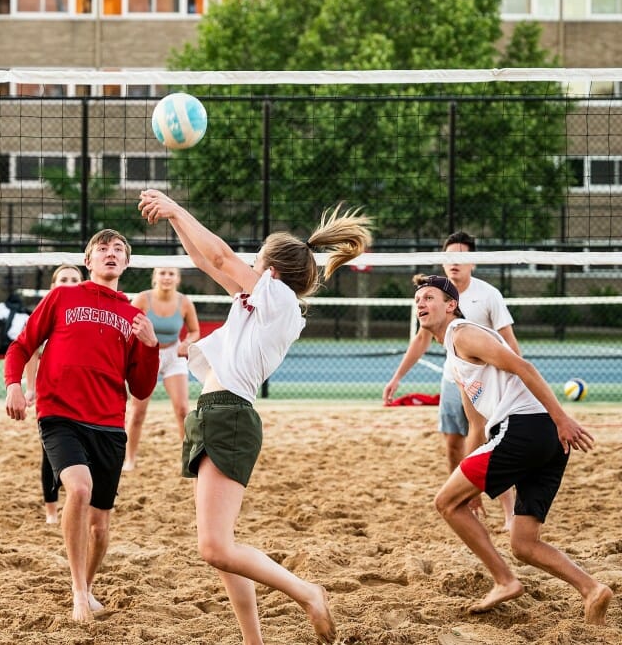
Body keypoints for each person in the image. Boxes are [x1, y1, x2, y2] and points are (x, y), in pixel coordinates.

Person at [138, 188, 371, 645]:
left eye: (257, 260)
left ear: (272, 270)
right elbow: (208, 263)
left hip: (229, 415)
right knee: (222, 549)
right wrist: (175, 223)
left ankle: (308, 593)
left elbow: (222, 256)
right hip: (216, 412)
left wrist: (177, 208)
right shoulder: (259, 301)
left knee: (215, 547)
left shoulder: (279, 301)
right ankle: (253, 640)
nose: (250, 264)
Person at [415, 274, 614, 624]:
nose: (421, 304)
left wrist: (562, 418)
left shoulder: (464, 333)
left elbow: (524, 366)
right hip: (544, 441)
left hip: (527, 428)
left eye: (429, 297)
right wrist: (471, 487)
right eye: (417, 299)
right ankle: (592, 589)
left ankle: (504, 581)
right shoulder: (453, 357)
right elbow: (476, 425)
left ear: (450, 305)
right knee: (524, 544)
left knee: (444, 503)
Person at [4, 231, 159, 622]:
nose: (111, 254)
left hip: (108, 423)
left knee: (101, 527)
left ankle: (87, 587)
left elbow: (140, 387)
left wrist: (151, 345)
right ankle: (77, 592)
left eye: (119, 250)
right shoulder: (63, 296)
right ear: (88, 261)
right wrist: (15, 386)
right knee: (79, 487)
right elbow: (21, 346)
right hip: (60, 415)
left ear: (126, 264)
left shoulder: (133, 316)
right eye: (103, 249)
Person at [383, 231, 520, 530]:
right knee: (453, 444)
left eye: (461, 256)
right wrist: (397, 378)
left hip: (485, 386)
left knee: (489, 443)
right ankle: (463, 498)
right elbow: (421, 340)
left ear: (473, 261)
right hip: (454, 379)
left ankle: (509, 511)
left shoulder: (487, 295)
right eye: (449, 257)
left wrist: (516, 377)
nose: (454, 262)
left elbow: (509, 342)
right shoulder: (430, 296)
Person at [123, 266, 200, 471]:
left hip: (174, 354)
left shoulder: (184, 302)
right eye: (162, 273)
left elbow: (194, 331)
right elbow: (127, 328)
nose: (166, 277)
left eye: (171, 273)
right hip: (147, 353)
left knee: (182, 409)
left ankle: (188, 459)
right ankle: (129, 459)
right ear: (154, 278)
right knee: (138, 411)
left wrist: (187, 342)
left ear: (178, 279)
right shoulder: (142, 299)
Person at [29, 264, 83, 524]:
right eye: (63, 279)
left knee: (85, 452)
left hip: (84, 394)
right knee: (50, 454)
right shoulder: (46, 311)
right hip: (52, 394)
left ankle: (79, 502)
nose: (69, 283)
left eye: (75, 279)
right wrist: (29, 388)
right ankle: (51, 510)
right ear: (53, 286)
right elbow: (30, 351)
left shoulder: (88, 311)